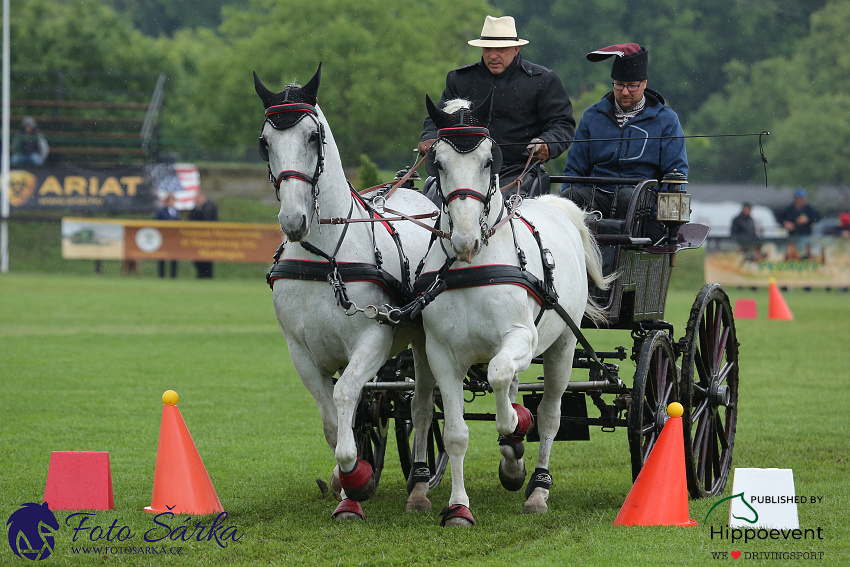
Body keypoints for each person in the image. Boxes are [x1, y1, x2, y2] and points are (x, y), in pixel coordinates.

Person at [418, 15, 575, 199]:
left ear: (516, 49)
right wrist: (429, 138)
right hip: (463, 169)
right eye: (487, 49)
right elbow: (438, 118)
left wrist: (546, 144)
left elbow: (562, 124)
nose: (493, 55)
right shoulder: (460, 79)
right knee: (432, 203)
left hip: (518, 171)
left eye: (500, 49)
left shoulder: (543, 80)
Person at [561, 43, 688, 239]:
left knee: (629, 197)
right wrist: (567, 203)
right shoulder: (592, 116)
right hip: (598, 195)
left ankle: (618, 251)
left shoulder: (666, 120)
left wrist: (661, 219)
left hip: (641, 199)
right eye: (619, 85)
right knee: (569, 197)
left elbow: (675, 172)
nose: (625, 92)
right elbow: (574, 169)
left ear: (644, 84)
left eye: (632, 86)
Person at [189, 191, 218, 279]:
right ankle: (200, 273)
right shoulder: (195, 208)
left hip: (208, 237)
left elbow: (210, 220)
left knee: (207, 255)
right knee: (197, 256)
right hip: (197, 237)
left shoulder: (210, 206)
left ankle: (208, 275)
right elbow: (191, 219)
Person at [154, 193, 180, 278]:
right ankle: (161, 275)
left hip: (173, 237)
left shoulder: (176, 211)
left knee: (174, 256)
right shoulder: (161, 211)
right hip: (163, 236)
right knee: (162, 256)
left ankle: (173, 275)